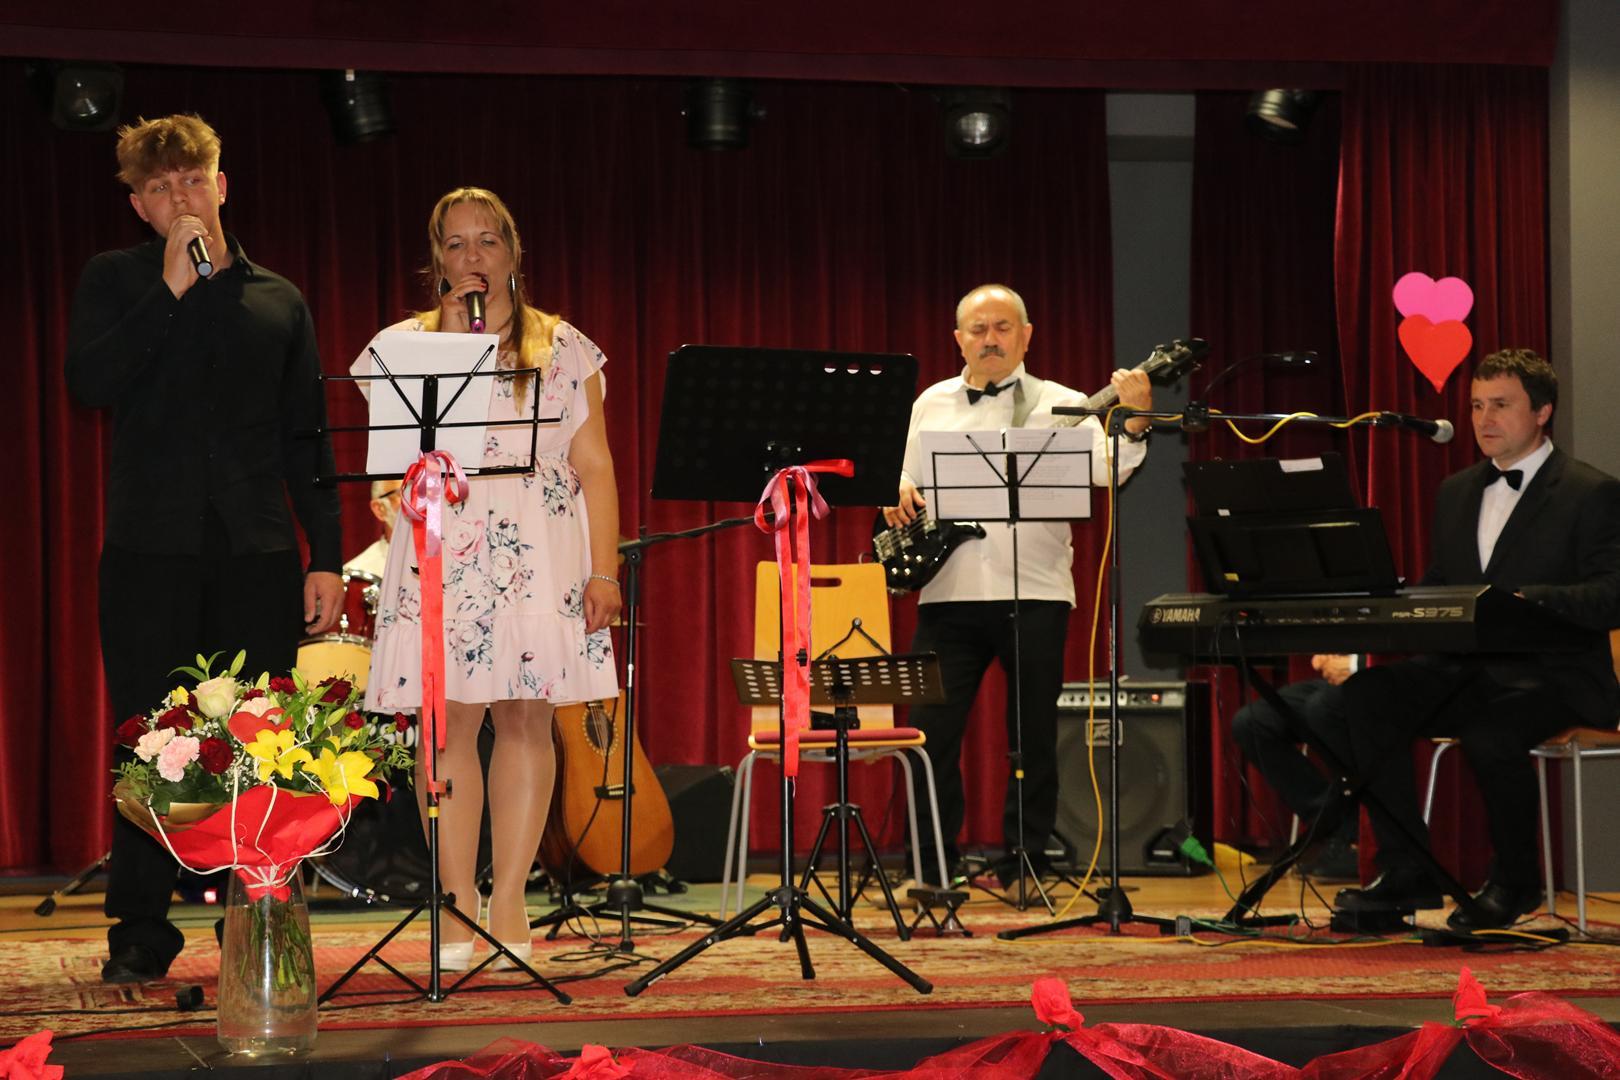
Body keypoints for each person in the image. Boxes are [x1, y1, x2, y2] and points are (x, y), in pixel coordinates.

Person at [65, 114, 344, 984]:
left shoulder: (278, 299)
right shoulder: (115, 281)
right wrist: (170, 292)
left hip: (257, 550)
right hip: (149, 551)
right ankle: (140, 933)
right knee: (149, 737)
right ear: (139, 206)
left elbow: (307, 438)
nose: (180, 197)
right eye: (161, 187)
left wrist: (326, 555)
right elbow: (89, 382)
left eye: (193, 180)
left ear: (220, 186)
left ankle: (258, 920)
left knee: (262, 737)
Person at [356, 187, 622, 969]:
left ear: (513, 252)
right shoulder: (403, 347)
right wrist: (449, 343)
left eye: (488, 241)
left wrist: (604, 570)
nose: (473, 257)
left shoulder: (563, 346)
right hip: (445, 546)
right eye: (456, 243)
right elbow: (389, 461)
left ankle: (508, 900)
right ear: (436, 260)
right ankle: (456, 902)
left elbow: (596, 464)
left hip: (539, 546)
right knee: (448, 725)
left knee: (525, 720)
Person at [1332, 348, 1620, 930]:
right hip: (1469, 670)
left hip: (1557, 675)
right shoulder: (1457, 490)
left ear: (1542, 411)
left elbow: (1612, 594)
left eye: (1501, 405)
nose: (1484, 419)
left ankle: (1516, 882)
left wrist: (1527, 601)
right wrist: (1392, 605)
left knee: (1491, 732)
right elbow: (1445, 582)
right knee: (1366, 697)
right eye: (1476, 406)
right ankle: (1408, 869)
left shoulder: (1591, 492)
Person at [883, 283, 1152, 887]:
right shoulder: (930, 402)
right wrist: (895, 487)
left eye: (1003, 327)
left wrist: (1133, 424)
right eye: (978, 329)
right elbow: (900, 474)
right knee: (929, 735)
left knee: (1032, 737)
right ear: (959, 339)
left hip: (1036, 593)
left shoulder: (1065, 402)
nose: (990, 339)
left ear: (1026, 336)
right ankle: (931, 866)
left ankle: (1025, 860)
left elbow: (1108, 470)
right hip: (947, 595)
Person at [1230, 655, 1359, 882]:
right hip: (1340, 685)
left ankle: (1361, 838)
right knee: (1252, 722)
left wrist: (1355, 664)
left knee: (1322, 709)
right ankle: (1335, 823)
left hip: (1387, 682)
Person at [344, 480, 401, 581]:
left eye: (422, 492)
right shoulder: (357, 578)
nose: (420, 502)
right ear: (379, 509)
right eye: (406, 493)